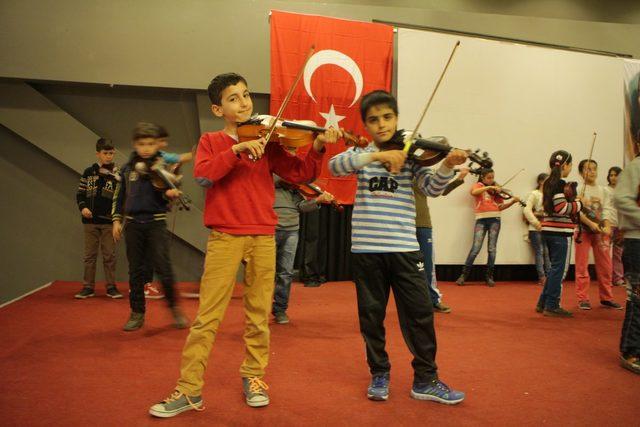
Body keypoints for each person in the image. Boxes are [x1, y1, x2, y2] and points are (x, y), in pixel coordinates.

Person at [149, 73, 340, 417]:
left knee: (258, 316)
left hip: (264, 235)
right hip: (226, 237)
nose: (244, 102)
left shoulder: (268, 142)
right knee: (208, 317)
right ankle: (190, 389)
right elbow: (204, 175)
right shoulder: (211, 140)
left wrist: (318, 147)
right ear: (218, 108)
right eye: (233, 98)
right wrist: (236, 150)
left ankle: (254, 377)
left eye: (246, 95)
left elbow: (299, 174)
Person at [330, 89, 466, 405]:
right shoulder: (361, 155)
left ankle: (426, 379)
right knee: (371, 316)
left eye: (387, 117)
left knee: (420, 313)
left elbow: (431, 189)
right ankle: (379, 373)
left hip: (404, 248)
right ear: (365, 124)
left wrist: (447, 166)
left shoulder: (412, 157)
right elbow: (335, 166)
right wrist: (378, 155)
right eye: (374, 120)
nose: (382, 125)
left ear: (397, 119)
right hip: (366, 251)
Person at [111, 122, 188, 331]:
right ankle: (137, 313)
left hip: (156, 224)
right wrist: (117, 220)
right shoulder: (127, 169)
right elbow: (119, 197)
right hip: (134, 225)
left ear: (157, 146)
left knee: (164, 267)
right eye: (142, 144)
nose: (146, 148)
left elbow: (168, 193)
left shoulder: (162, 167)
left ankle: (174, 308)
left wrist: (170, 194)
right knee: (135, 271)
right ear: (135, 144)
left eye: (151, 144)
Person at [141, 125, 194, 300]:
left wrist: (194, 154)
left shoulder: (163, 158)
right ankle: (143, 285)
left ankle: (153, 284)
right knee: (145, 254)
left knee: (157, 252)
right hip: (143, 213)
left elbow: (180, 159)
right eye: (161, 141)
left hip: (157, 212)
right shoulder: (143, 162)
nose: (164, 144)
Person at [272, 174, 334, 324]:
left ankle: (280, 309)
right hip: (269, 230)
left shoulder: (294, 190)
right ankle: (258, 309)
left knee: (285, 273)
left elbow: (301, 207)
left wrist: (318, 200)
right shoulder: (269, 179)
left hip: (291, 231)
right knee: (264, 273)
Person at [414, 168, 468, 313]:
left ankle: (433, 300)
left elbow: (441, 190)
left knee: (427, 265)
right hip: (400, 225)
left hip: (422, 223)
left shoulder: (420, 171)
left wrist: (459, 178)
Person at [455, 168, 521, 287]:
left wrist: (512, 202)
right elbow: (473, 192)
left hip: (495, 219)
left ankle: (489, 277)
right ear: (483, 177)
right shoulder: (478, 185)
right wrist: (489, 187)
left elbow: (500, 206)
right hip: (481, 219)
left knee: (492, 248)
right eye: (489, 178)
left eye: (492, 177)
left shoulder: (496, 190)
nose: (491, 180)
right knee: (475, 248)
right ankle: (463, 275)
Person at [75, 138, 123, 299]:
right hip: (90, 222)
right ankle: (88, 287)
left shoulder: (117, 175)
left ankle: (111, 287)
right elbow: (80, 194)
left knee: (109, 255)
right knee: (89, 255)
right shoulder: (88, 173)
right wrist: (83, 208)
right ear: (98, 154)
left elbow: (121, 198)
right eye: (105, 153)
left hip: (109, 222)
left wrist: (117, 219)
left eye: (111, 153)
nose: (109, 156)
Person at [536, 150, 582, 317]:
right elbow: (561, 208)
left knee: (554, 269)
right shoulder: (560, 183)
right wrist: (579, 205)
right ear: (565, 165)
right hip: (560, 232)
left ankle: (543, 302)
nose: (571, 168)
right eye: (571, 165)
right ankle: (552, 305)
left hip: (548, 229)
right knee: (559, 270)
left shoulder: (548, 182)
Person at [574, 160, 622, 310]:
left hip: (600, 231)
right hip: (583, 230)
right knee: (582, 265)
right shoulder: (578, 190)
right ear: (581, 173)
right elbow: (577, 211)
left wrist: (606, 225)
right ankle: (583, 298)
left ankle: (607, 297)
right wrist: (590, 223)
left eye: (594, 169)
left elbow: (607, 209)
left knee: (605, 265)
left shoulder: (604, 190)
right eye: (588, 169)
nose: (592, 172)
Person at [613, 141, 640, 374]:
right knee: (638, 297)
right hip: (637, 240)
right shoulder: (635, 167)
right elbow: (621, 199)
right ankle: (630, 350)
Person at [523, 173, 551, 286]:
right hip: (535, 229)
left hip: (547, 227)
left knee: (547, 252)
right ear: (540, 182)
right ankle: (542, 276)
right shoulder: (534, 194)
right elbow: (527, 211)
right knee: (540, 252)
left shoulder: (549, 195)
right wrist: (536, 223)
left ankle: (549, 276)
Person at [606, 166, 625, 287]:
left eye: (616, 175)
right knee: (606, 253)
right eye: (611, 175)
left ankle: (618, 278)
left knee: (618, 253)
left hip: (620, 225)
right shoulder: (605, 190)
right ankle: (606, 279)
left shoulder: (624, 191)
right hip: (608, 225)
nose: (613, 177)